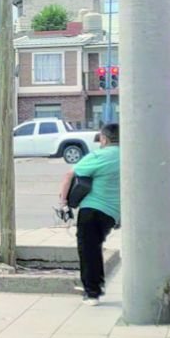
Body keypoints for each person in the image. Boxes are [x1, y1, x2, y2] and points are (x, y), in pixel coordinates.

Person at [59, 122, 120, 305]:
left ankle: (92, 292)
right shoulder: (131, 155)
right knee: (95, 247)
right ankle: (96, 285)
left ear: (104, 138)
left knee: (88, 250)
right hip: (113, 213)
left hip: (92, 210)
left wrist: (63, 203)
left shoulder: (99, 155)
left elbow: (69, 175)